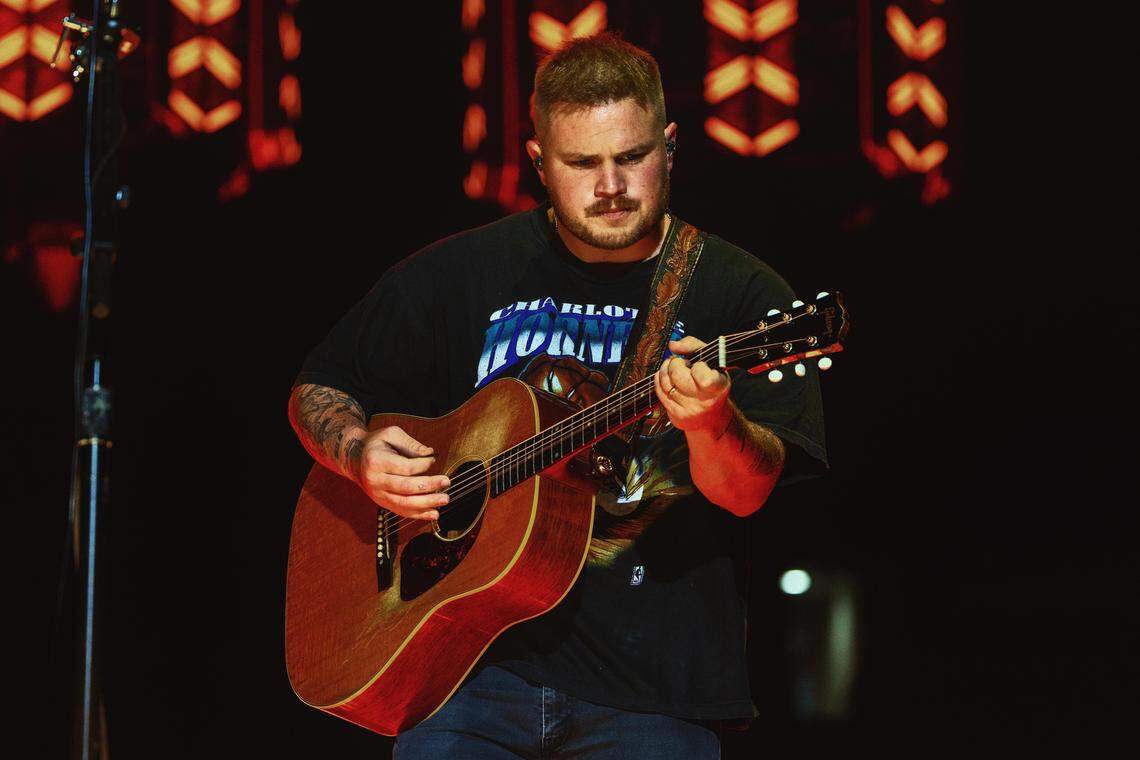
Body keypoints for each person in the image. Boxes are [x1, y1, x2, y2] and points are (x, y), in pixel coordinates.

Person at [288, 32, 826, 759]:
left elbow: (745, 494)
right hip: (462, 681)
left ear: (669, 147)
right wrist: (357, 454)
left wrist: (711, 423)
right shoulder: (462, 272)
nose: (610, 185)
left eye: (631, 157)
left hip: (654, 697)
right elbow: (321, 386)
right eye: (582, 163)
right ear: (540, 162)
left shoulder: (740, 293)